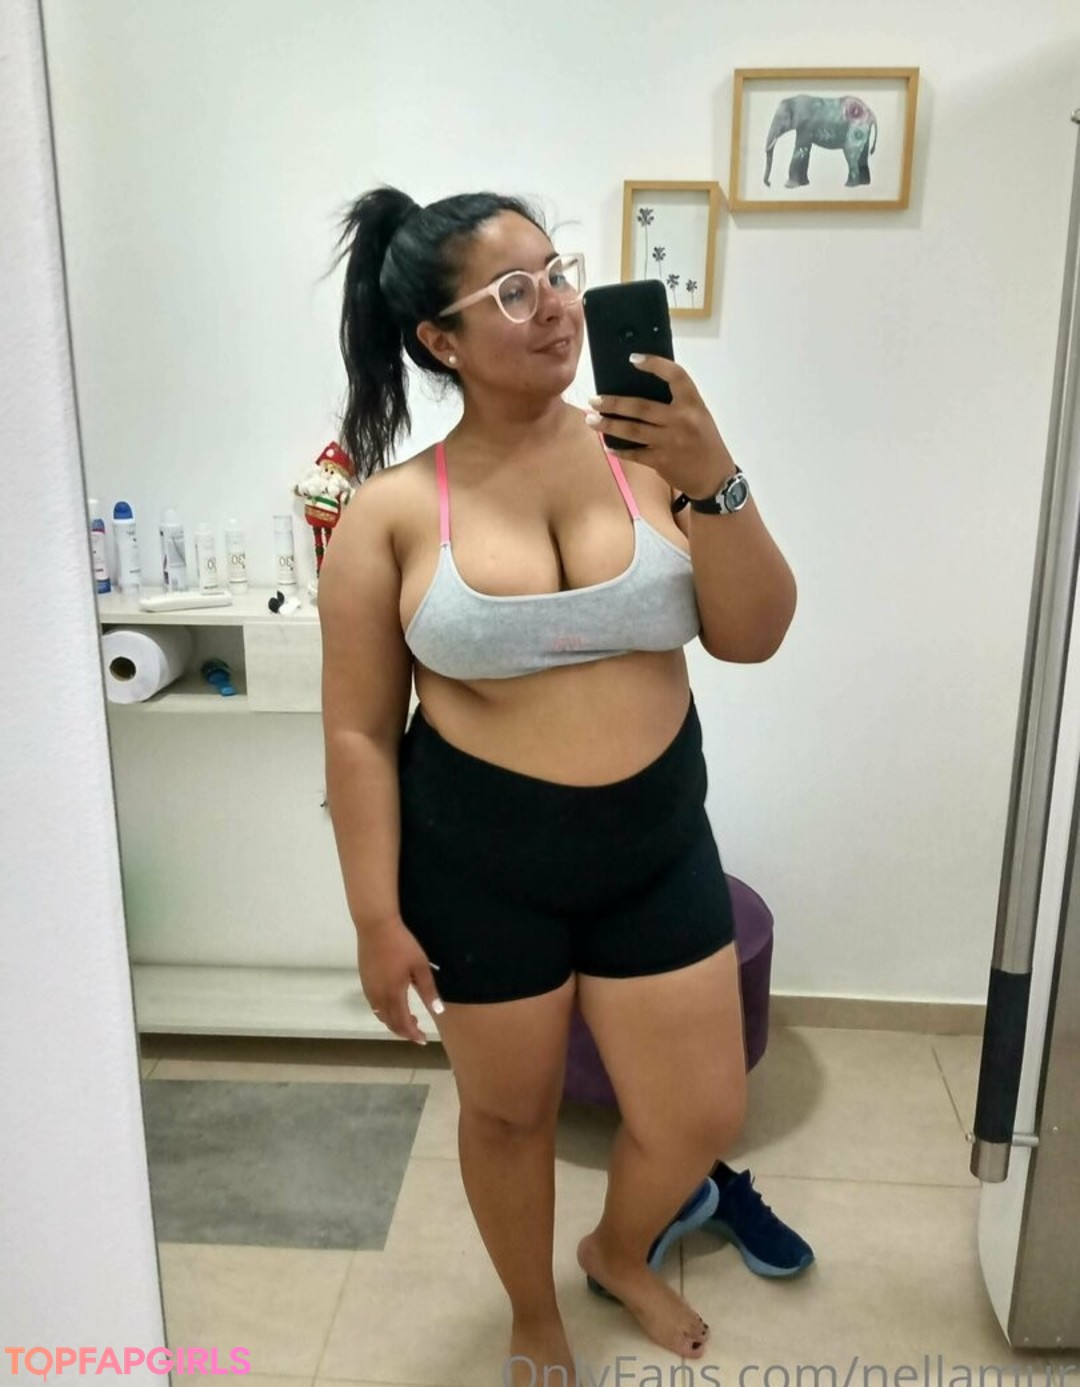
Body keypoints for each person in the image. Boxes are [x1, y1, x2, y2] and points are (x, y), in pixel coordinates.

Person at [318, 185, 799, 1381]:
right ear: (441, 340)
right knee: (508, 1115)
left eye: (558, 273)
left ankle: (618, 1248)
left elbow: (754, 636)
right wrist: (376, 918)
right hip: (478, 869)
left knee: (699, 1113)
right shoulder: (389, 514)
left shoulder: (654, 459)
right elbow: (361, 735)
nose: (556, 306)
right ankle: (533, 1311)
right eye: (513, 291)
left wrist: (717, 475)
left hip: (653, 848)